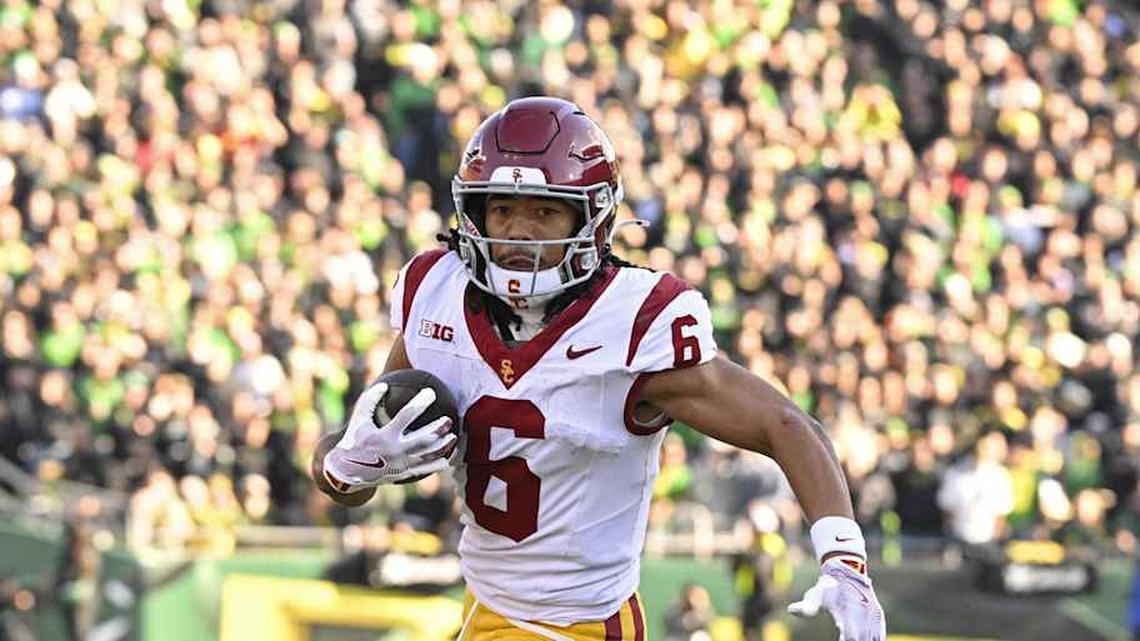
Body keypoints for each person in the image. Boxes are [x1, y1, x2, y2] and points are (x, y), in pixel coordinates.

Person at [314, 97, 885, 641]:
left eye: (545, 211)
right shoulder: (435, 295)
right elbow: (346, 465)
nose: (518, 232)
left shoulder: (633, 322)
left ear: (593, 219)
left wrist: (844, 559)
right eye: (503, 209)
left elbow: (786, 425)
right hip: (486, 611)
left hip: (579, 625)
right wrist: (345, 468)